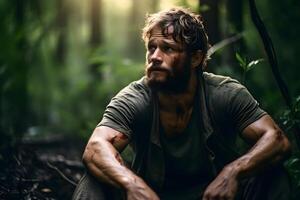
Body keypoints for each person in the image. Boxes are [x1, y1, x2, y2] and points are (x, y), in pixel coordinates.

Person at [73, 7, 291, 200]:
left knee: (273, 175)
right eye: (151, 48)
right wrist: (131, 184)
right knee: (94, 178)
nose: (155, 57)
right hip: (150, 196)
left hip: (216, 196)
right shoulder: (134, 98)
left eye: (167, 49)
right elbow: (95, 148)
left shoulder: (224, 94)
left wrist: (232, 173)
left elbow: (277, 140)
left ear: (196, 58)